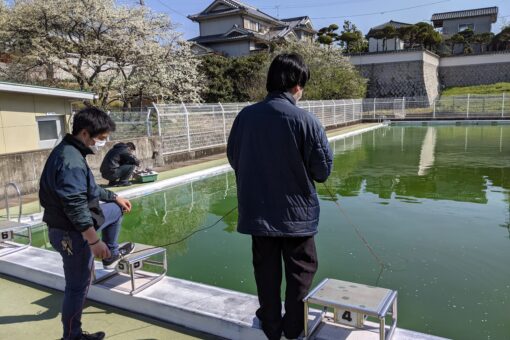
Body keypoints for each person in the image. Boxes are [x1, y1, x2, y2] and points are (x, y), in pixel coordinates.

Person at [227, 53, 333, 340]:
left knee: (266, 271)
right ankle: (294, 328)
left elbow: (234, 158)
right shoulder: (306, 120)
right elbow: (322, 171)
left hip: (259, 214)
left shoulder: (245, 117)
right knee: (300, 273)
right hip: (297, 218)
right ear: (297, 86)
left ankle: (271, 326)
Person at [39, 107, 135, 340]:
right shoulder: (70, 161)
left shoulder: (71, 152)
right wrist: (93, 241)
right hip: (69, 234)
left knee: (115, 210)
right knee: (77, 286)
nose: (103, 142)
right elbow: (74, 205)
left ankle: (111, 254)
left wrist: (114, 197)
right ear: (84, 133)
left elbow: (90, 189)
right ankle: (72, 336)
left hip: (69, 226)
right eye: (101, 138)